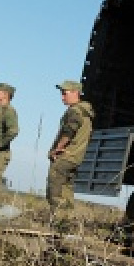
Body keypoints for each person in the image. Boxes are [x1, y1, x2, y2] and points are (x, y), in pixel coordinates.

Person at [46, 80, 94, 214]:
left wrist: (57, 148)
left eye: (64, 93)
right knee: (66, 189)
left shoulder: (75, 111)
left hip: (66, 155)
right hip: (75, 157)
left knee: (55, 188)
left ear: (75, 93)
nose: (62, 97)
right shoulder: (86, 112)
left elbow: (69, 131)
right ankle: (66, 222)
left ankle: (59, 219)